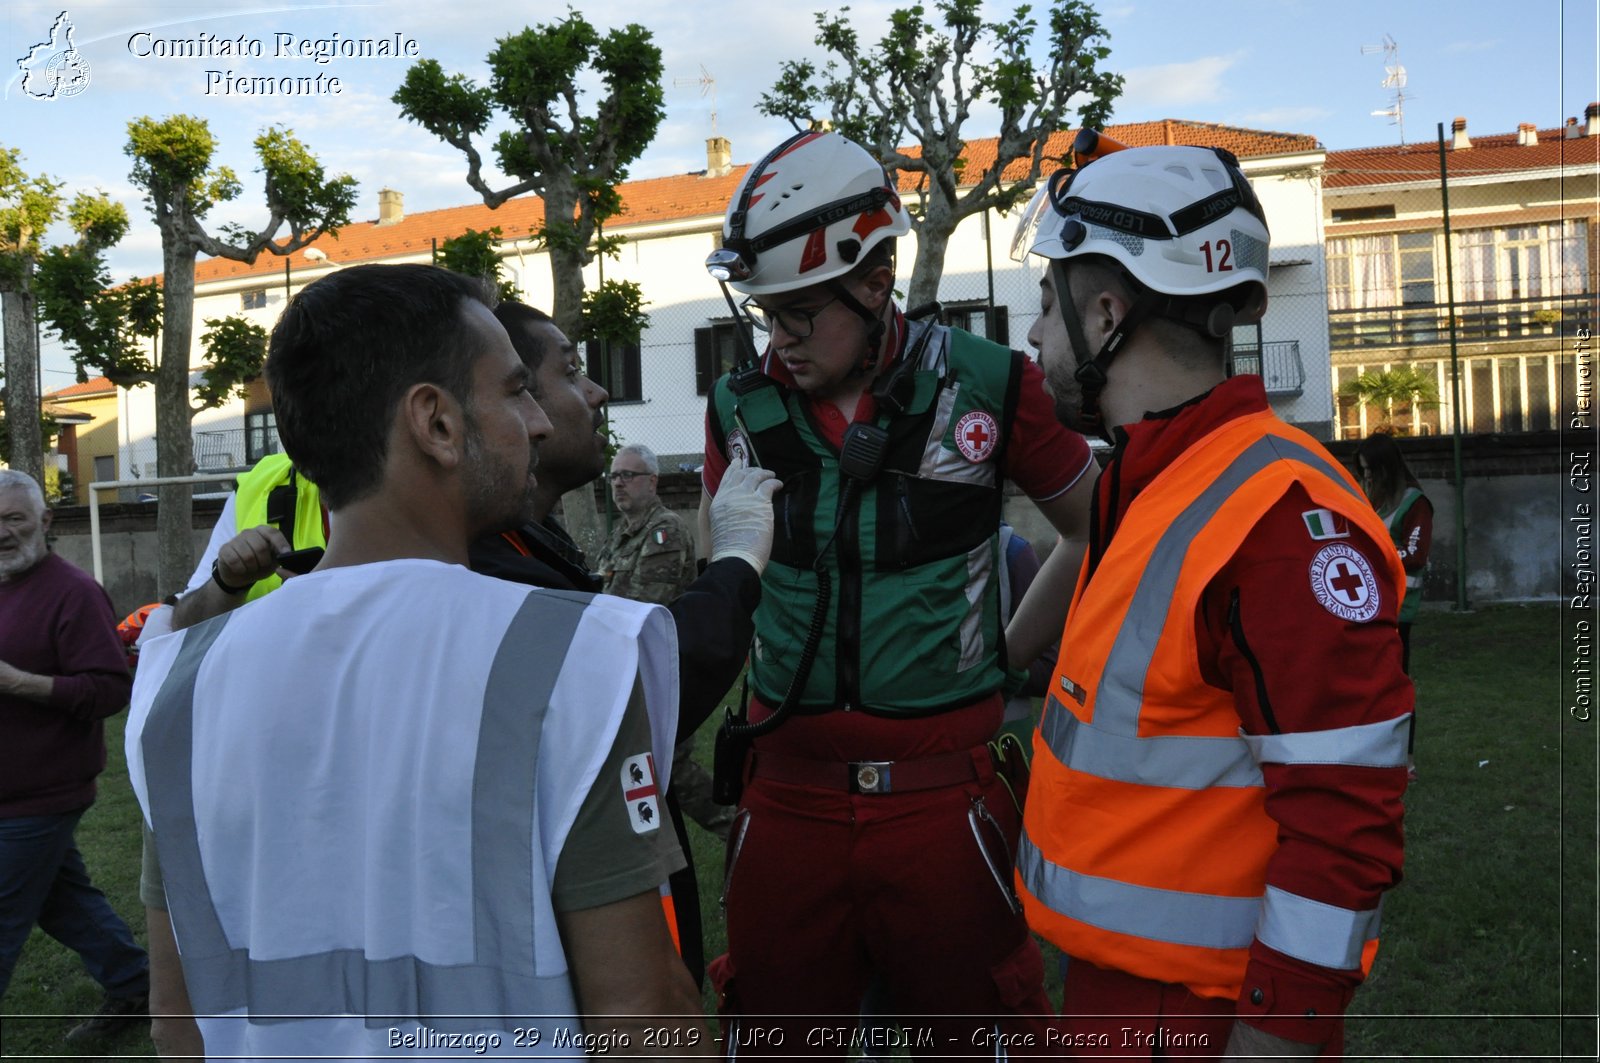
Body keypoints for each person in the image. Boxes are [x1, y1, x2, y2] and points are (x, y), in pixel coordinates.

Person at [126, 264, 705, 1058]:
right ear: (434, 422)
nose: (537, 420)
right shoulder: (572, 658)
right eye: (513, 390)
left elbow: (177, 1021)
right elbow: (644, 1015)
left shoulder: (177, 691)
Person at [698, 130, 1099, 1051]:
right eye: (765, 314)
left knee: (983, 1034)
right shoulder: (735, 410)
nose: (779, 340)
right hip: (784, 802)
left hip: (943, 805)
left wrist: (1006, 656)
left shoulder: (993, 384)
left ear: (875, 283)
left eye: (799, 314)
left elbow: (1090, 524)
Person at [1012, 140, 1411, 1060]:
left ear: (1108, 312)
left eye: (1047, 303)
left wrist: (1277, 1033)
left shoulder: (1275, 518)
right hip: (1123, 994)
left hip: (1198, 1018)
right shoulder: (1156, 480)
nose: (1034, 337)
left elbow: (1344, 820)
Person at [0, 469, 149, 1047]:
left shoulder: (74, 592)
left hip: (41, 794)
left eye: (14, 519)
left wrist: (21, 684)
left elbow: (111, 689)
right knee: (62, 902)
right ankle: (134, 984)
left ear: (45, 521)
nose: (3, 533)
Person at [598, 443, 734, 842]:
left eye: (628, 475)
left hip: (658, 670)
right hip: (627, 669)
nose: (618, 484)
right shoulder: (621, 535)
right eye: (614, 476)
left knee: (670, 764)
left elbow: (640, 607)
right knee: (643, 764)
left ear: (653, 482)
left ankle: (737, 824)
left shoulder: (665, 531)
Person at [1355, 432, 1431, 673]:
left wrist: (1373, 554)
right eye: (1363, 469)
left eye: (1371, 469)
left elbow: (1415, 555)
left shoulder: (1415, 503)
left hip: (1399, 603)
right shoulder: (1371, 500)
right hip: (1372, 599)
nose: (1366, 476)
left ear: (1386, 469)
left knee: (1395, 672)